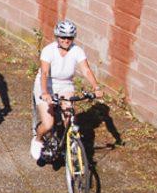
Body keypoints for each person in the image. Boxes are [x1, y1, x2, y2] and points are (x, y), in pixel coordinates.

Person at [31, 19, 103, 160]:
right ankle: (38, 139)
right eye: (63, 37)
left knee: (70, 119)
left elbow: (86, 70)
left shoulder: (77, 51)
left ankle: (70, 143)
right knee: (48, 124)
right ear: (57, 37)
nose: (66, 40)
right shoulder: (48, 50)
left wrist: (96, 87)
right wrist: (45, 92)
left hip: (65, 85)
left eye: (69, 37)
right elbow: (44, 73)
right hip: (47, 84)